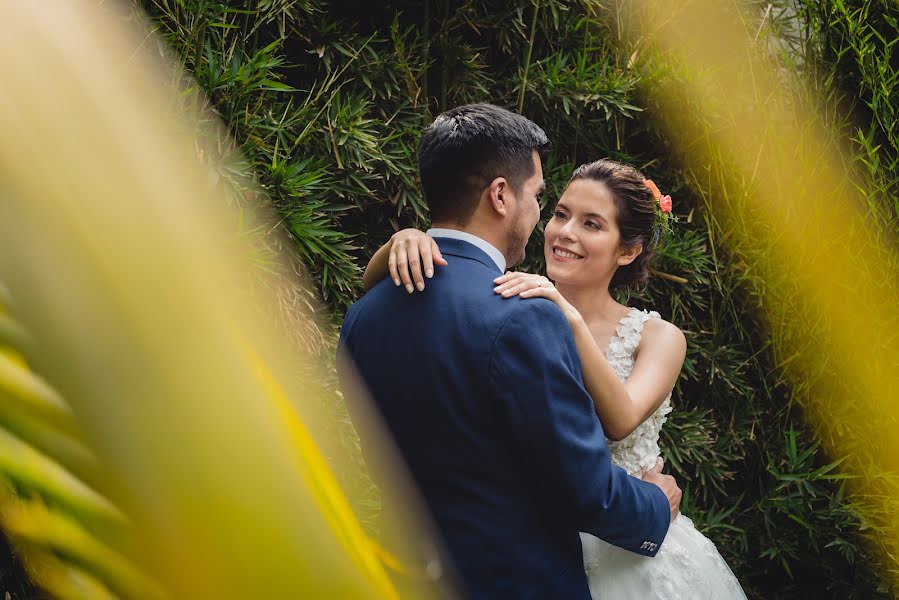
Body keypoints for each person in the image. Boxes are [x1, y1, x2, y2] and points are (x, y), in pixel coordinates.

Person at [338, 104, 681, 599]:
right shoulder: (523, 316)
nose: (550, 222)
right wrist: (654, 505)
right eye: (545, 200)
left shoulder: (365, 315)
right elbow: (586, 490)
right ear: (501, 195)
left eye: (591, 223)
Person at [365, 158, 747, 598]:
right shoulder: (508, 302)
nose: (565, 232)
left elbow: (621, 419)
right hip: (528, 553)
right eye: (561, 214)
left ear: (628, 250)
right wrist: (400, 243)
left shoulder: (658, 337)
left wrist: (568, 318)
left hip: (628, 550)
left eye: (592, 224)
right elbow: (398, 308)